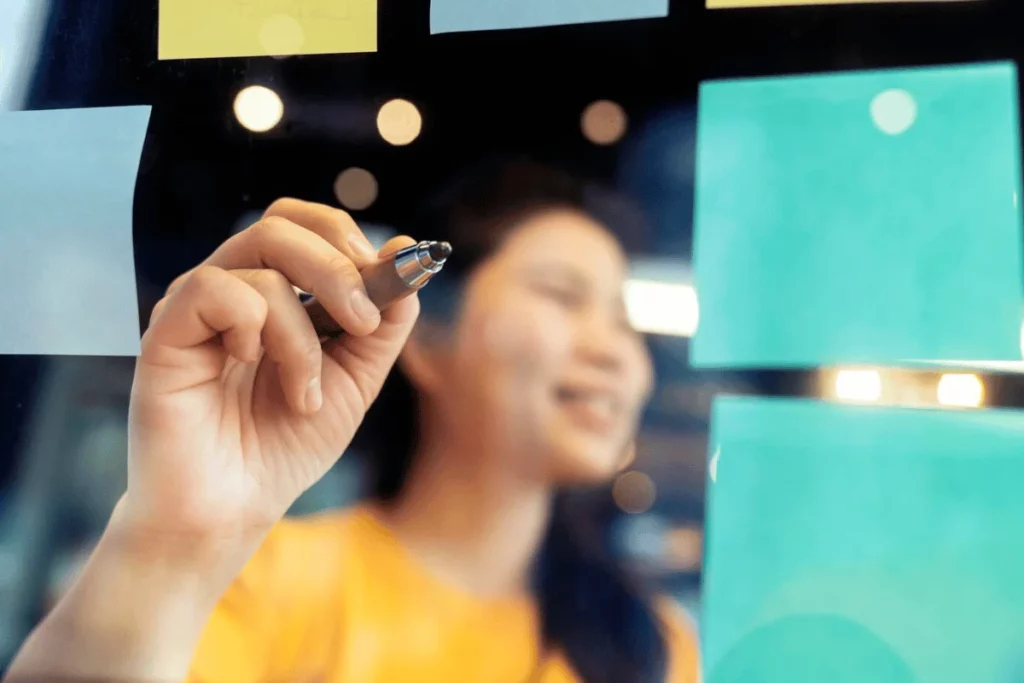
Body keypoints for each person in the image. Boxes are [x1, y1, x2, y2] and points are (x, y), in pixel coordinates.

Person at [5, 161, 699, 683]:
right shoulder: (271, 578)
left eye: (624, 318)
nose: (615, 351)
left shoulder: (653, 641)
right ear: (425, 340)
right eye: (561, 295)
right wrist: (174, 535)